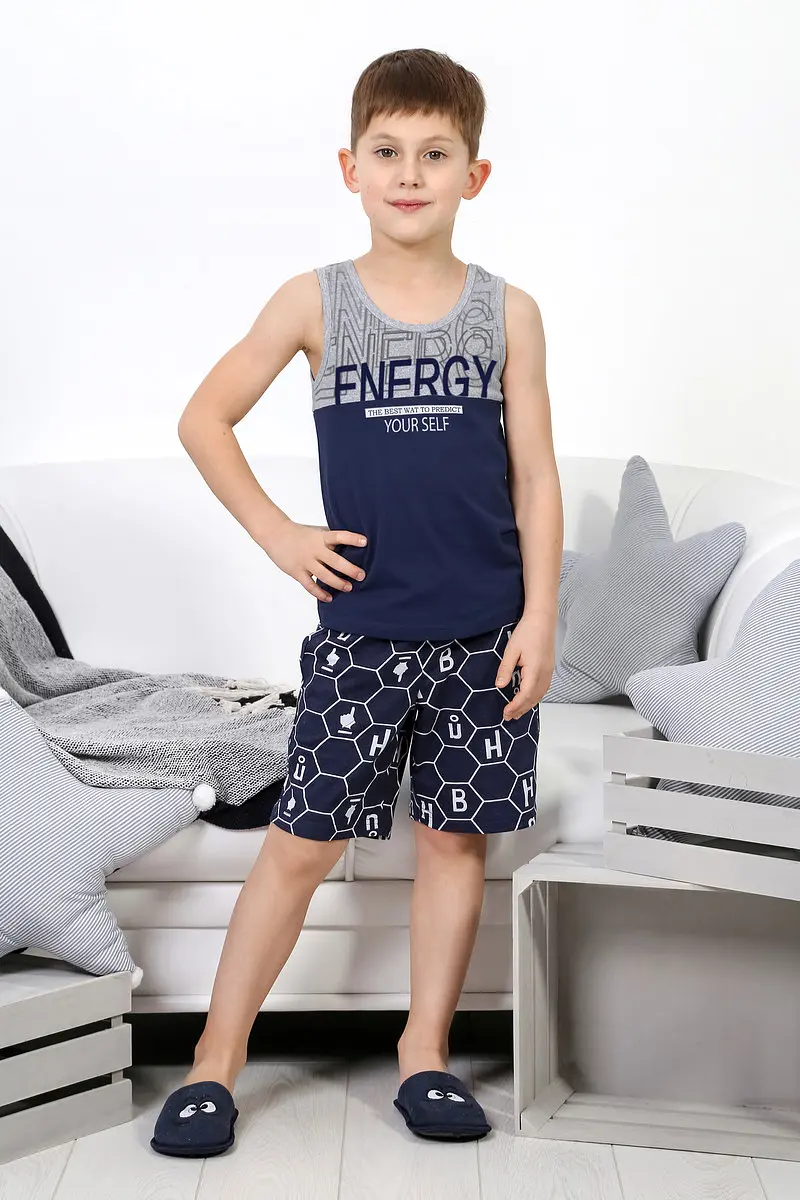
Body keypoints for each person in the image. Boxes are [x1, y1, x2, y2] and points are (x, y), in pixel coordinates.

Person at [150, 46, 563, 1158]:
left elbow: (534, 476)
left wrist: (539, 617)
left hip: (483, 636)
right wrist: (279, 533)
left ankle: (424, 1055)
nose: (409, 174)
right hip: (363, 636)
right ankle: (214, 1062)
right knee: (297, 845)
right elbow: (203, 418)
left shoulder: (509, 313)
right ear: (349, 167)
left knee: (453, 843)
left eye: (435, 154)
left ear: (474, 175)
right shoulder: (314, 301)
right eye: (387, 151)